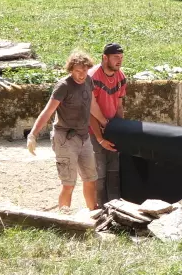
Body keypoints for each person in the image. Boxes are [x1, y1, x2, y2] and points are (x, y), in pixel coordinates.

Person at [27, 50, 103, 210]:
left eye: (84, 70)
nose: (81, 75)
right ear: (71, 70)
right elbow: (48, 111)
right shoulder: (63, 86)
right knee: (69, 184)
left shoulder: (88, 81)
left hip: (84, 137)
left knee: (91, 179)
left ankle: (93, 214)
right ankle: (64, 216)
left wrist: (105, 122)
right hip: (65, 138)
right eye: (78, 71)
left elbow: (92, 105)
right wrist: (33, 134)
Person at [88, 42, 125, 206]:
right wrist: (100, 137)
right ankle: (100, 209)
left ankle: (116, 208)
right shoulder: (92, 77)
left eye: (121, 57)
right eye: (116, 57)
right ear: (105, 58)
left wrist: (121, 131)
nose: (119, 60)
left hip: (111, 128)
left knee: (114, 171)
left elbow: (119, 106)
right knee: (99, 174)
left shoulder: (121, 76)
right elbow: (89, 110)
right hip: (92, 130)